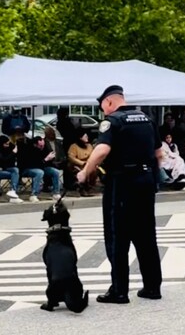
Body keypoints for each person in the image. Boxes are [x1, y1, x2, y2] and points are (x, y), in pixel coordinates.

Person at [78, 85, 164, 304]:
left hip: (123, 183)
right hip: (145, 182)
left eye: (102, 107)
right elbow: (159, 154)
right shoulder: (147, 119)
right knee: (146, 235)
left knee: (118, 237)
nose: (103, 112)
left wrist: (86, 171)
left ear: (108, 102)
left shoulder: (112, 121)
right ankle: (152, 287)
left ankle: (119, 291)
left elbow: (102, 150)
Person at [67, 129, 95, 196]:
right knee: (81, 171)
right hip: (77, 165)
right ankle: (82, 189)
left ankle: (89, 187)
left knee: (95, 170)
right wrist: (82, 163)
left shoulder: (89, 146)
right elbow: (71, 158)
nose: (87, 138)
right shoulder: (74, 146)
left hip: (88, 163)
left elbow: (93, 155)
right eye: (85, 137)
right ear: (80, 138)